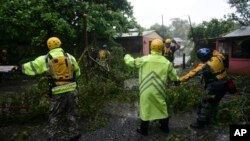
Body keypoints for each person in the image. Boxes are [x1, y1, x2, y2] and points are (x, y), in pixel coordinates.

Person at [18, 37, 81, 140]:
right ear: (60, 43)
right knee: (72, 112)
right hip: (71, 90)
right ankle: (74, 133)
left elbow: (33, 67)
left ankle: (52, 137)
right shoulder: (70, 57)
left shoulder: (46, 58)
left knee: (55, 115)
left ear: (48, 46)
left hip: (57, 91)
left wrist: (21, 68)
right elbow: (78, 72)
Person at [124, 39, 179, 136]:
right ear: (162, 48)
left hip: (145, 90)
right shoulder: (166, 62)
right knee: (162, 107)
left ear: (151, 48)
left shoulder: (144, 59)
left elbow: (131, 62)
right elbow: (174, 76)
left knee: (145, 108)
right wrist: (177, 81)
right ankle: (164, 128)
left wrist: (127, 56)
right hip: (159, 90)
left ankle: (144, 130)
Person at [179, 48, 228, 129]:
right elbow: (217, 53)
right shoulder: (219, 57)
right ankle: (210, 119)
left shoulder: (204, 65)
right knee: (215, 102)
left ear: (202, 58)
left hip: (214, 86)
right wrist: (213, 52)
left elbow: (191, 74)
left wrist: (179, 80)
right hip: (224, 84)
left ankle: (201, 123)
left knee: (205, 103)